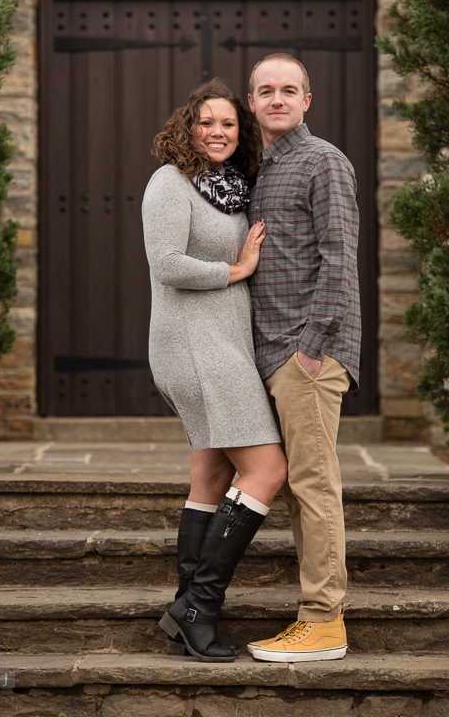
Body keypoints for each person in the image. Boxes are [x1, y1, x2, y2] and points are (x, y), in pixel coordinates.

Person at [142, 77, 287, 664]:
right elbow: (168, 263)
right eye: (207, 122)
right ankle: (200, 606)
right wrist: (237, 268)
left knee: (209, 475)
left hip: (223, 343)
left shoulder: (230, 187)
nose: (218, 132)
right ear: (188, 127)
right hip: (194, 346)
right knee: (266, 470)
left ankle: (184, 609)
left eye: (229, 123)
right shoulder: (171, 182)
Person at [245, 53, 361, 663]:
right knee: (297, 486)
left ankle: (323, 622)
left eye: (290, 90)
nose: (278, 100)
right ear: (253, 101)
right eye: (266, 91)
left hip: (307, 354)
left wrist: (311, 350)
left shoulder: (324, 162)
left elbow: (339, 262)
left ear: (307, 100)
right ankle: (318, 616)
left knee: (314, 485)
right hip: (271, 353)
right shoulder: (258, 172)